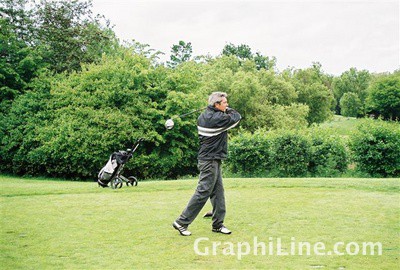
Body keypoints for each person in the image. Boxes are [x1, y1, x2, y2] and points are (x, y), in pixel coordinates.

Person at [173, 92, 241, 236]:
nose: (227, 105)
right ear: (216, 105)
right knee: (203, 191)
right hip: (209, 160)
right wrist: (228, 110)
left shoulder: (204, 115)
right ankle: (182, 222)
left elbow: (228, 115)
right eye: (225, 103)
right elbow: (236, 117)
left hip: (212, 159)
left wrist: (223, 109)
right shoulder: (216, 118)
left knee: (218, 193)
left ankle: (218, 224)